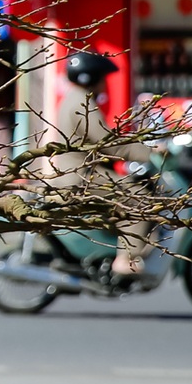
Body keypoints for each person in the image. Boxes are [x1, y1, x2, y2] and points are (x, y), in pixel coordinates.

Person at [44, 50, 155, 281]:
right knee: (141, 199)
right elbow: (109, 144)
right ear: (92, 79)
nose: (106, 84)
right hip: (80, 178)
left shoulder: (75, 98)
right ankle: (127, 258)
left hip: (80, 174)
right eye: (103, 78)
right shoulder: (82, 103)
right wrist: (151, 154)